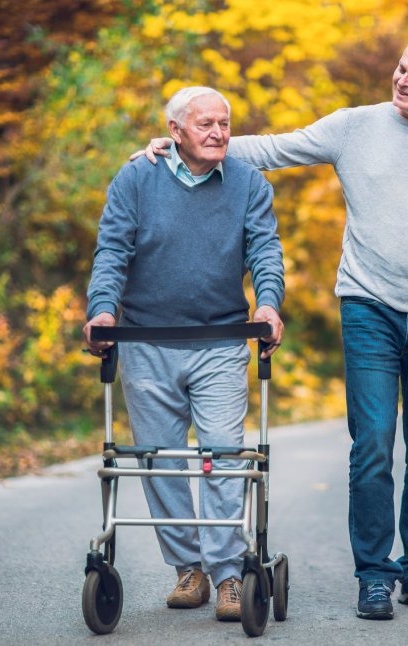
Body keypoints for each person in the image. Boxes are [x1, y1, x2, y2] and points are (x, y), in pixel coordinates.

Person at [135, 32, 408, 620]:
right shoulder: (354, 126)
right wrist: (185, 145)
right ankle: (374, 575)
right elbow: (270, 150)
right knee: (370, 448)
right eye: (401, 68)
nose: (402, 80)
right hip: (367, 307)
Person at [84, 86, 285, 622]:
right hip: (145, 340)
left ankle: (226, 577)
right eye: (206, 124)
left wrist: (267, 304)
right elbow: (112, 249)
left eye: (224, 123)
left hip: (220, 340)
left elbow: (265, 249)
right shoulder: (136, 177)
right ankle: (187, 569)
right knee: (160, 460)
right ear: (175, 131)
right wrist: (103, 310)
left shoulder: (248, 183)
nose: (219, 133)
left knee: (221, 454)